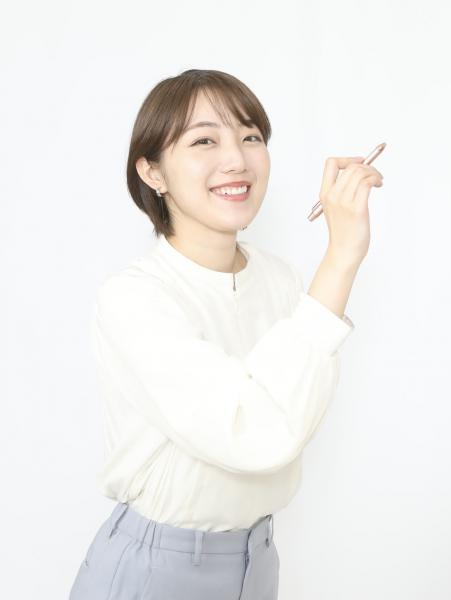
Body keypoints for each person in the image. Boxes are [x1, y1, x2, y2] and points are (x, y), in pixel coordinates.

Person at [68, 68, 384, 600]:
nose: (237, 159)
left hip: (257, 560)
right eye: (204, 141)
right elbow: (254, 432)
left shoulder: (282, 281)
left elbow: (296, 422)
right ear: (152, 171)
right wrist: (342, 256)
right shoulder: (136, 298)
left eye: (251, 137)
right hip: (157, 569)